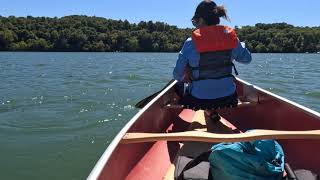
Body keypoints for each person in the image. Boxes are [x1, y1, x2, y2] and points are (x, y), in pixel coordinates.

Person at [173, 0, 252, 120]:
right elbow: (247, 59)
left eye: (195, 22)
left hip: (198, 99)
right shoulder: (232, 39)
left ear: (202, 20)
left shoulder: (190, 43)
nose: (195, 26)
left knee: (179, 84)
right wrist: (240, 44)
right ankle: (211, 111)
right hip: (228, 97)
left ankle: (204, 110)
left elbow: (177, 75)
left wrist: (186, 76)